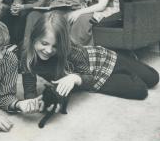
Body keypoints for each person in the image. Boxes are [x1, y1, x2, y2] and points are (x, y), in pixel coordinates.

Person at [21, 12, 159, 100]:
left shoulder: (72, 51)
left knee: (153, 78)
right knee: (140, 90)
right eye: (44, 43)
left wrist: (75, 77)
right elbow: (29, 84)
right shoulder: (26, 54)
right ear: (34, 37)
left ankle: (126, 59)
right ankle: (126, 69)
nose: (48, 50)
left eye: (55, 46)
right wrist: (30, 100)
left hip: (100, 59)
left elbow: (87, 77)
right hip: (96, 77)